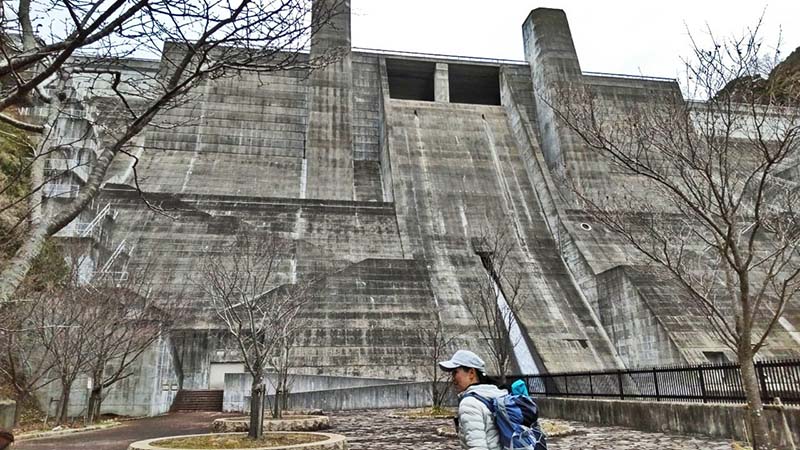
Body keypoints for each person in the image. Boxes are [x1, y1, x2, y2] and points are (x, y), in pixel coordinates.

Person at [439, 350, 507, 450]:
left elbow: (478, 447)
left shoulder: (469, 403)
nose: (453, 378)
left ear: (471, 373)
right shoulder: (497, 394)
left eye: (455, 372)